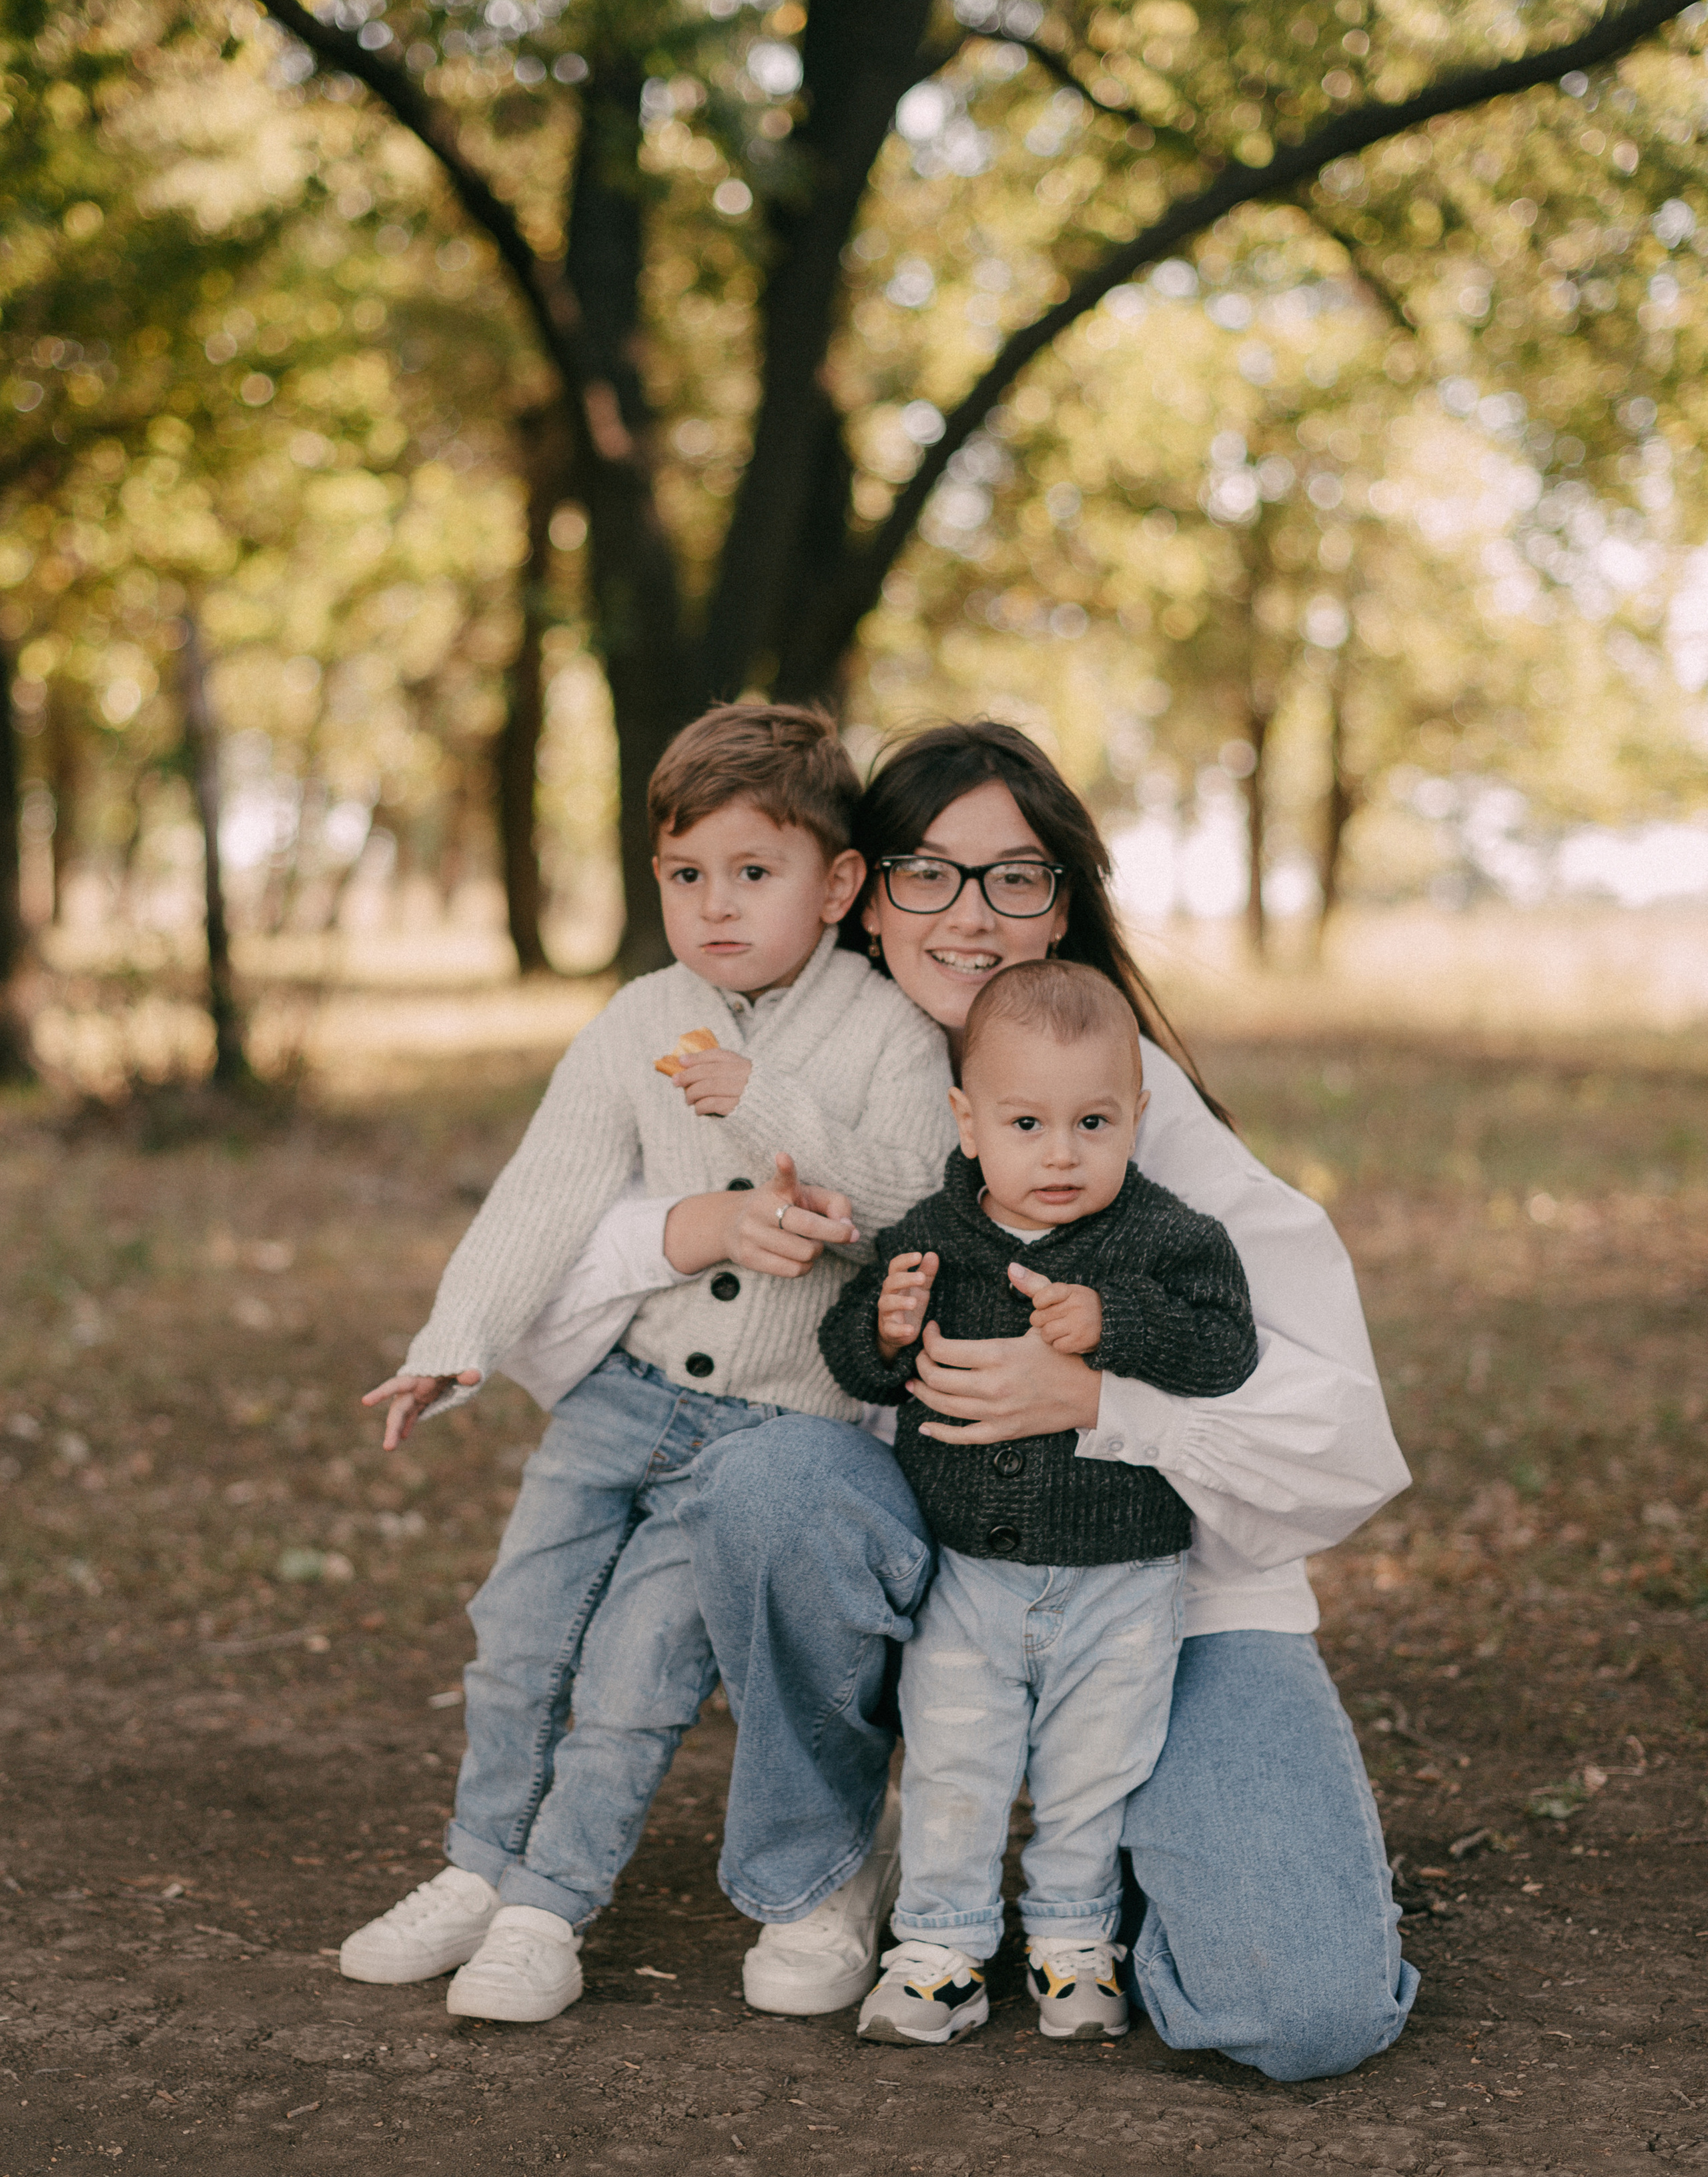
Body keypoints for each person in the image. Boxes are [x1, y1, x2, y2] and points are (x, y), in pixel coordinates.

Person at [542, 720, 1417, 2080]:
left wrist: (1096, 1398)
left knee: (1299, 2011)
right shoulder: (763, 1077)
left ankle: (1106, 1856)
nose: (968, 916)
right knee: (765, 1483)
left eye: (1014, 877)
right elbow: (553, 1296)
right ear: (858, 895)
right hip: (928, 1583)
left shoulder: (1142, 1122)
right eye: (926, 874)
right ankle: (844, 1856)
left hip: (1167, 1602)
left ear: (1059, 906)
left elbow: (1346, 1447)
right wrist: (696, 1229)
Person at [340, 703, 951, 2022]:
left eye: (753, 872)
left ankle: (550, 1911)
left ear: (837, 883)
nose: (714, 906)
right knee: (518, 1634)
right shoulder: (638, 1019)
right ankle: (477, 1866)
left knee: (634, 1670)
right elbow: (543, 1195)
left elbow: (917, 1197)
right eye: (685, 875)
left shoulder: (890, 1029)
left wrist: (768, 1107)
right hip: (623, 1402)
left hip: (771, 1427)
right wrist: (457, 1342)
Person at [819, 959, 1258, 2046]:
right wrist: (883, 1324)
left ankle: (1073, 1937)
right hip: (969, 1571)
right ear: (968, 1122)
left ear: (1137, 1118)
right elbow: (857, 1365)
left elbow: (1224, 1346)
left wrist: (1114, 1325)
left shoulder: (1166, 1238)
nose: (1060, 1153)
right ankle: (942, 1945)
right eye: (1026, 1121)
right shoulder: (932, 1233)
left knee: (1095, 1762)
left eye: (1093, 1121)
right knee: (957, 1756)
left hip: (1124, 1577)